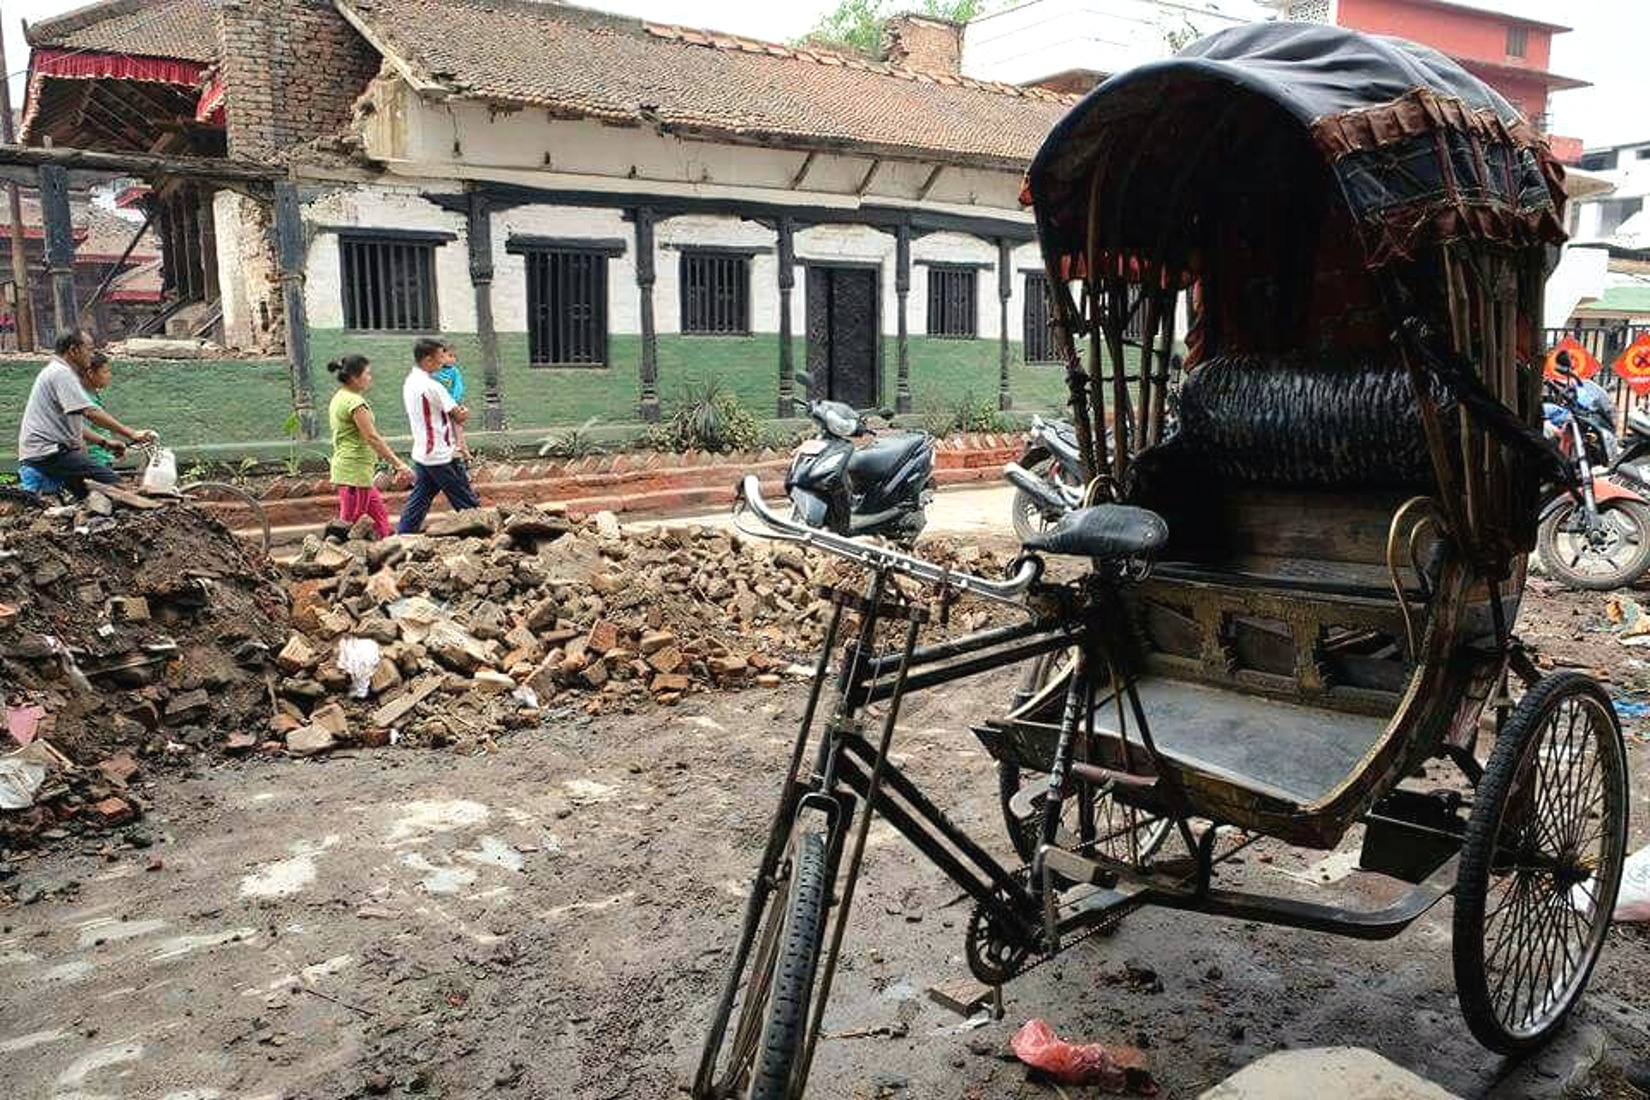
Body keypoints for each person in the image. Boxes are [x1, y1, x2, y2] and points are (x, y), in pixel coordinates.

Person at [17, 329, 154, 498]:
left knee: (87, 495)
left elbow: (76, 424)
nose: (92, 354)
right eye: (89, 349)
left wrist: (104, 443)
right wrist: (131, 433)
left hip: (46, 452)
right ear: (74, 350)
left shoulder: (58, 373)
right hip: (50, 452)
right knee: (114, 484)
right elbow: (90, 412)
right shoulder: (61, 373)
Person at [396, 336, 480, 534]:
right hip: (441, 454)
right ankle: (484, 537)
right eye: (440, 357)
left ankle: (403, 536)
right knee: (466, 501)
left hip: (423, 452)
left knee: (420, 498)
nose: (443, 362)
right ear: (427, 360)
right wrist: (465, 412)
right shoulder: (433, 386)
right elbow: (458, 416)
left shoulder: (410, 381)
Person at [327, 353, 411, 539]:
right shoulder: (355, 403)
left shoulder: (340, 397)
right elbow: (372, 437)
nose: (370, 378)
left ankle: (388, 549)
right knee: (350, 524)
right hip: (354, 473)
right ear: (354, 377)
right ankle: (337, 555)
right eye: (367, 373)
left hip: (358, 471)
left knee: (380, 519)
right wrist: (399, 464)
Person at [430, 342, 470, 460]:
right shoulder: (433, 372)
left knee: (457, 425)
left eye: (455, 357)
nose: (453, 359)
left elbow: (458, 387)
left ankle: (462, 448)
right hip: (437, 406)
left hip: (452, 404)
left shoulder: (454, 371)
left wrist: (453, 401)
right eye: (450, 356)